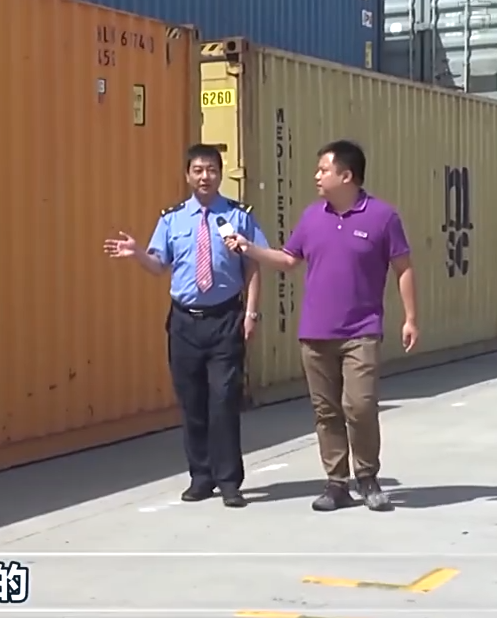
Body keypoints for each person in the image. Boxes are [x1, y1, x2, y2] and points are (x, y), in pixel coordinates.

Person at [225, 140, 418, 513]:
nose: (316, 176)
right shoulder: (312, 217)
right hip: (315, 333)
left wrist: (410, 318)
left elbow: (404, 268)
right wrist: (248, 248)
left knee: (359, 406)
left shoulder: (382, 217)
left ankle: (367, 477)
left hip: (362, 331)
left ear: (346, 176)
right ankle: (336, 483)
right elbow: (287, 260)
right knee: (326, 411)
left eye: (323, 170)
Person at [103, 144, 267, 508]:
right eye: (198, 170)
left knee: (224, 400)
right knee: (192, 402)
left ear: (220, 174)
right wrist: (137, 254)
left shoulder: (239, 216)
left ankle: (229, 481)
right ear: (188, 175)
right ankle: (201, 476)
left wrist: (251, 314)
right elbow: (158, 265)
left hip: (226, 319)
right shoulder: (172, 219)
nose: (205, 177)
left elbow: (254, 267)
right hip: (184, 323)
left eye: (211, 170)